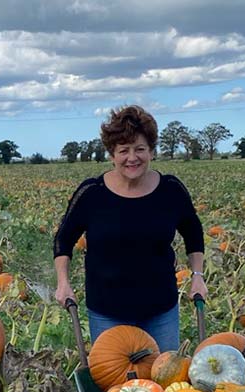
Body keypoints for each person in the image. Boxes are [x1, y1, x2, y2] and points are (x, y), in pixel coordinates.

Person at [53, 105, 207, 351]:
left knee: (163, 379)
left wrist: (197, 277)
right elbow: (63, 239)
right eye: (124, 150)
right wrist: (63, 282)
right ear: (112, 154)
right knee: (114, 384)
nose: (132, 157)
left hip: (161, 310)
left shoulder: (171, 190)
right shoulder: (92, 194)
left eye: (140, 149)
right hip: (107, 312)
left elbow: (193, 233)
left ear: (151, 152)